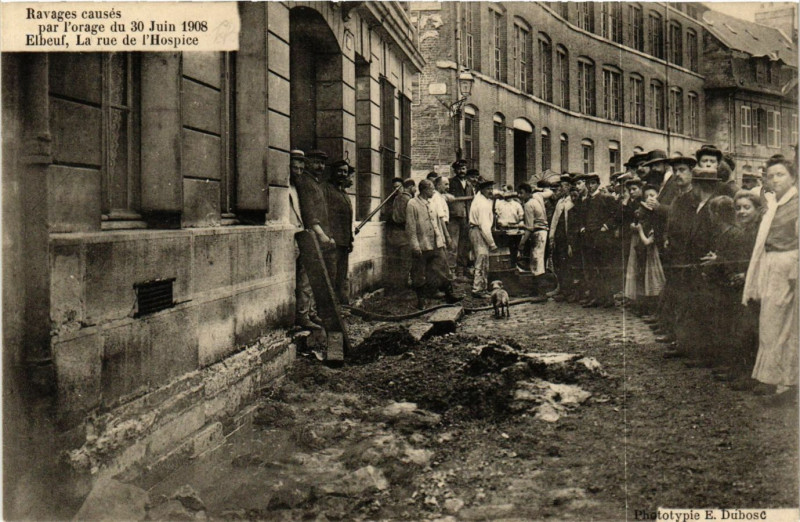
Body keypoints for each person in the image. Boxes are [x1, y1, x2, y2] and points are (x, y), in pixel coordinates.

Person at [742, 155, 799, 400]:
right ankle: (769, 377)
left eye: (780, 175)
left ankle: (786, 383)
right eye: (771, 175)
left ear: (793, 177)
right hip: (771, 264)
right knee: (769, 323)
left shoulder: (796, 203)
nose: (775, 180)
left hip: (789, 265)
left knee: (784, 325)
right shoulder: (774, 203)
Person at [406, 179, 460, 309]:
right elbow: (410, 226)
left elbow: (438, 222)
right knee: (419, 273)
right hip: (422, 244)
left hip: (436, 243)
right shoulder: (412, 204)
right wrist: (415, 245)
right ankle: (422, 300)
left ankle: (449, 294)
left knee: (443, 268)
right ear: (424, 190)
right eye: (431, 189)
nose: (433, 191)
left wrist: (444, 238)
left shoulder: (432, 203)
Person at [289, 150, 323, 330]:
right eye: (295, 168)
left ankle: (306, 313)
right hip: (289, 238)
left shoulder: (299, 187)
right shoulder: (283, 187)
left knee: (306, 277)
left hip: (301, 236)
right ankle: (299, 316)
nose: (298, 172)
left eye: (301, 168)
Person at [624, 184, 666, 316]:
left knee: (651, 278)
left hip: (651, 250)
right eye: (646, 196)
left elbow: (650, 239)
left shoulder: (658, 215)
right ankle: (642, 305)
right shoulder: (644, 213)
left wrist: (640, 229)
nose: (649, 199)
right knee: (640, 276)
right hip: (641, 249)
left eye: (652, 196)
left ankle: (652, 307)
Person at [579, 173, 618, 307]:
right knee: (592, 268)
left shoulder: (606, 198)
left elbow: (615, 215)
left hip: (602, 238)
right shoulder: (585, 201)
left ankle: (608, 298)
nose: (590, 186)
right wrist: (583, 227)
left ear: (598, 184)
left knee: (605, 267)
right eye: (588, 184)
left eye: (593, 183)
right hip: (589, 238)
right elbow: (582, 218)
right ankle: (596, 297)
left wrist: (606, 226)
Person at [324, 160, 355, 304]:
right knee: (331, 276)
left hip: (344, 242)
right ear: (333, 172)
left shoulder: (343, 193)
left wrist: (350, 240)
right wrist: (329, 237)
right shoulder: (326, 190)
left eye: (345, 172)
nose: (342, 174)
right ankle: (330, 308)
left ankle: (341, 306)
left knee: (341, 276)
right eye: (340, 171)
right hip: (332, 242)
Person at [468, 179, 498, 298]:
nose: (490, 191)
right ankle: (478, 289)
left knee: (481, 259)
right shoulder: (483, 204)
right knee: (482, 259)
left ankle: (481, 287)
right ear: (482, 190)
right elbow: (484, 226)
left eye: (491, 188)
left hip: (475, 230)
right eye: (488, 189)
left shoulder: (480, 198)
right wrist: (492, 244)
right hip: (478, 231)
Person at [386, 178, 416, 290]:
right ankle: (401, 287)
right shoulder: (407, 199)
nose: (396, 189)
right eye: (394, 187)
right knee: (404, 262)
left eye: (398, 187)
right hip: (402, 234)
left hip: (397, 234)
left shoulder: (399, 198)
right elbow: (406, 218)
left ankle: (398, 286)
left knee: (399, 262)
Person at [550, 175, 575, 301]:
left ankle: (569, 291)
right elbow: (555, 219)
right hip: (559, 236)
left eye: (565, 186)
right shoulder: (560, 201)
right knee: (559, 262)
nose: (562, 188)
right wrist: (552, 236)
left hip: (567, 236)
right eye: (561, 186)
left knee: (568, 264)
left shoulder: (573, 200)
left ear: (570, 187)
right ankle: (562, 288)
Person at [447, 159, 474, 278]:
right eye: (459, 169)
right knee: (453, 244)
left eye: (463, 168)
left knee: (464, 244)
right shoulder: (450, 182)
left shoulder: (469, 183)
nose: (461, 171)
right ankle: (451, 270)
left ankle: (461, 270)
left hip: (466, 216)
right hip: (455, 216)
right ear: (455, 170)